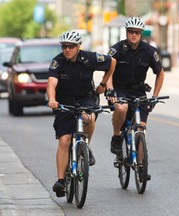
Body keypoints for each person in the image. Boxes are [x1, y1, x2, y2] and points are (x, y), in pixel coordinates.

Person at [47, 30, 116, 197]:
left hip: (86, 99)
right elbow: (51, 83)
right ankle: (61, 181)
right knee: (64, 140)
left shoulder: (89, 58)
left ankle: (86, 145)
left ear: (78, 47)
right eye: (64, 46)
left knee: (89, 118)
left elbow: (112, 62)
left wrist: (103, 84)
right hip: (64, 102)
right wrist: (52, 99)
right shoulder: (58, 62)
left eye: (70, 46)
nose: (67, 50)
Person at [105, 17, 165, 180]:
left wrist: (155, 96)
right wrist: (110, 89)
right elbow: (108, 70)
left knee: (141, 128)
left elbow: (160, 73)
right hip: (120, 90)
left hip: (139, 92)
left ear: (141, 34)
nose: (133, 35)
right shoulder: (117, 49)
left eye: (137, 33)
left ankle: (140, 167)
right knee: (121, 108)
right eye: (131, 32)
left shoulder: (149, 51)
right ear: (126, 33)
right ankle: (117, 138)